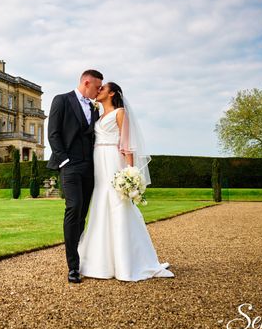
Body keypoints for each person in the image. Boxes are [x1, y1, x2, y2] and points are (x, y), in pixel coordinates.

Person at [77, 82, 174, 281]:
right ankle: (100, 262)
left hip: (113, 158)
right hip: (98, 159)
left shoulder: (120, 112)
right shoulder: (98, 114)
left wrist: (130, 172)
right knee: (100, 201)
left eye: (102, 88)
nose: (99, 90)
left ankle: (129, 261)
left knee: (118, 202)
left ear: (112, 93)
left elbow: (127, 143)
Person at [47, 69, 103, 284]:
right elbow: (53, 132)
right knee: (73, 208)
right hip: (70, 166)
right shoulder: (62, 100)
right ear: (86, 82)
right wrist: (64, 161)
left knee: (83, 214)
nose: (98, 92)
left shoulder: (94, 106)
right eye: (97, 87)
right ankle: (73, 267)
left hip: (90, 167)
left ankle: (80, 257)